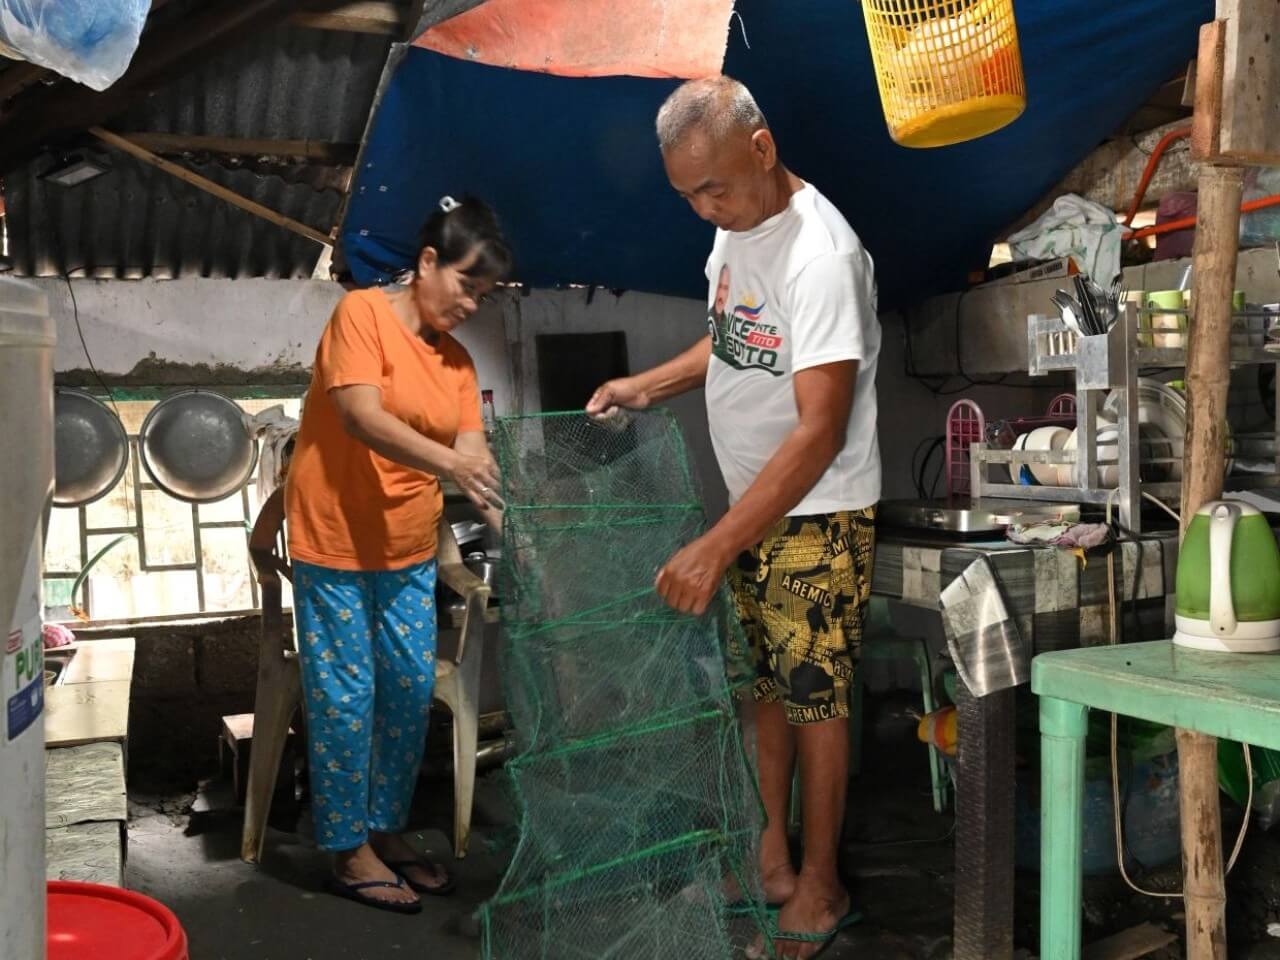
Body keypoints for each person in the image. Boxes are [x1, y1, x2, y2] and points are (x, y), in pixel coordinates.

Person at [587, 77, 880, 959]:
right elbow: (732, 334)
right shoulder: (734, 230)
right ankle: (771, 860)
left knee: (815, 701)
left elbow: (821, 430)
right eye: (688, 195)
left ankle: (821, 886)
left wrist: (714, 546)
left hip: (815, 516)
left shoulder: (820, 255)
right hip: (753, 509)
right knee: (762, 694)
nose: (704, 208)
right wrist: (649, 383)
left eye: (713, 188)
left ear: (762, 147)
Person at [284, 195, 511, 913]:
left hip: (408, 547)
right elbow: (360, 415)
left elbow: (474, 457)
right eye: (466, 285)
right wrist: (455, 463)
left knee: (410, 693)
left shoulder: (459, 365)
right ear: (427, 263)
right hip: (336, 538)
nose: (472, 304)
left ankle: (385, 829)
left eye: (485, 294)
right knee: (347, 697)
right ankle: (347, 849)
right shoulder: (363, 316)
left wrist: (517, 528)